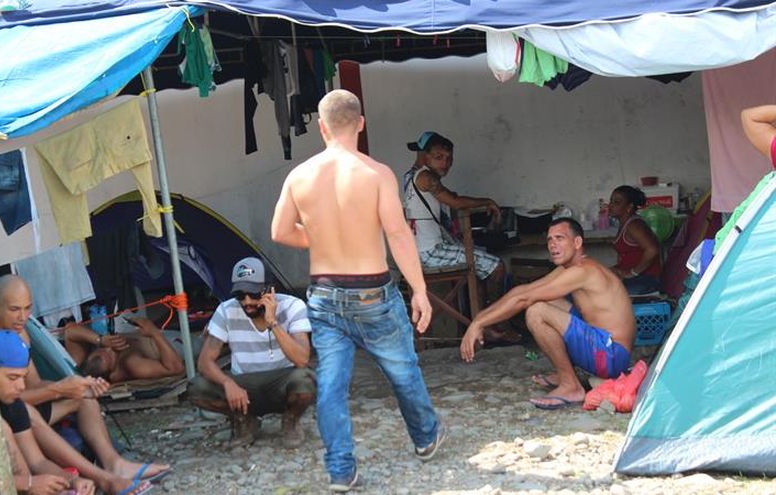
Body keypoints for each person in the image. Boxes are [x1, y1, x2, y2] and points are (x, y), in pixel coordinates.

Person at [272, 89, 445, 492]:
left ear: (321, 127)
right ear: (361, 124)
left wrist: (318, 237)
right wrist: (419, 289)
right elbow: (398, 234)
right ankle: (425, 438)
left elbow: (280, 231)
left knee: (331, 385)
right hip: (372, 292)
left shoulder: (299, 176)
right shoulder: (376, 173)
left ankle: (340, 470)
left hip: (325, 293)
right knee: (402, 370)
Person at [0, 275, 169, 486]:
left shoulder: (20, 334)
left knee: (83, 398)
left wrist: (76, 386)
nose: (22, 317)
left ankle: (113, 464)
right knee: (26, 411)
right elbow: (2, 397)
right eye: (15, 309)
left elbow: (31, 386)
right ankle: (92, 478)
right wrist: (59, 389)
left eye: (28, 308)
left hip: (10, 409)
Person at [460, 218, 636, 410]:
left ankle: (571, 386)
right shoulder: (569, 268)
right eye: (550, 239)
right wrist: (478, 320)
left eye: (560, 238)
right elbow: (524, 291)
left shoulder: (583, 271)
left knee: (536, 312)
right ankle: (567, 374)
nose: (553, 244)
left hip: (611, 356)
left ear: (577, 242)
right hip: (604, 347)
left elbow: (524, 299)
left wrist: (479, 324)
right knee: (547, 301)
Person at [0, 330, 112, 495]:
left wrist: (71, 481)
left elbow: (38, 462)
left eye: (23, 377)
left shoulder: (11, 400)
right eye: (12, 377)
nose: (21, 386)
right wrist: (29, 484)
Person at [403, 130, 519, 343]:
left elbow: (450, 198)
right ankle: (495, 322)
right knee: (497, 267)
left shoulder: (410, 177)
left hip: (419, 252)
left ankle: (483, 323)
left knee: (481, 266)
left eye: (449, 158)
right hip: (430, 253)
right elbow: (455, 202)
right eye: (439, 157)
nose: (445, 163)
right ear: (424, 156)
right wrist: (487, 201)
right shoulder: (426, 177)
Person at [187, 257, 316, 449]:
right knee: (197, 388)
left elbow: (302, 359)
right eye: (240, 295)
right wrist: (228, 383)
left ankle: (291, 420)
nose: (247, 302)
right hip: (244, 384)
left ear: (269, 290)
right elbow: (205, 362)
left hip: (282, 381)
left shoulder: (293, 306)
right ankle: (243, 419)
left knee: (306, 380)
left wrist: (273, 322)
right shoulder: (226, 310)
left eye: (254, 294)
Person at [65, 316, 186, 384]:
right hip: (174, 344)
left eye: (103, 350)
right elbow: (175, 368)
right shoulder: (131, 364)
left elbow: (69, 330)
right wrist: (154, 333)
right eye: (110, 355)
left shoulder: (81, 363)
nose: (110, 349)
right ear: (113, 374)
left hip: (152, 333)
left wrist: (100, 340)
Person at [608, 185, 662, 295]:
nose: (610, 205)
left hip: (646, 280)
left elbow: (652, 250)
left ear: (629, 207)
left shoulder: (634, 225)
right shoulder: (625, 224)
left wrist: (633, 273)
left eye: (616, 202)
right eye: (611, 201)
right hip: (635, 278)